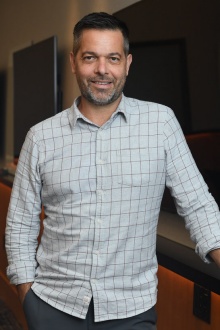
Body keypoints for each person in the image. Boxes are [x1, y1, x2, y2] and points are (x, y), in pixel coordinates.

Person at [5, 12, 220, 330]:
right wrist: (27, 295)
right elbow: (19, 226)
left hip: (131, 311)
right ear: (74, 61)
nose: (102, 70)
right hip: (52, 306)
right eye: (90, 57)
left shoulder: (160, 124)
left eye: (113, 58)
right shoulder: (40, 137)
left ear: (128, 63)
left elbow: (199, 206)